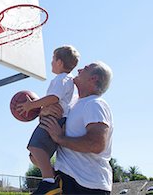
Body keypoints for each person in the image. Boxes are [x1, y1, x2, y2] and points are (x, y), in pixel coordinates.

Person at [39, 61, 113, 195]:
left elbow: (96, 144)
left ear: (94, 78)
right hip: (67, 179)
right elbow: (48, 126)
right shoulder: (72, 105)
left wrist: (60, 138)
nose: (78, 70)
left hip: (87, 185)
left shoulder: (95, 104)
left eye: (85, 69)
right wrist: (44, 112)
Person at [16, 45, 80, 195]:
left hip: (53, 120)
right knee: (34, 156)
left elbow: (53, 98)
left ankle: (48, 181)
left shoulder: (60, 79)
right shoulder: (69, 81)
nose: (51, 62)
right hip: (59, 120)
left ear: (59, 62)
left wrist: (31, 105)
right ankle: (54, 178)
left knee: (35, 147)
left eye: (53, 59)